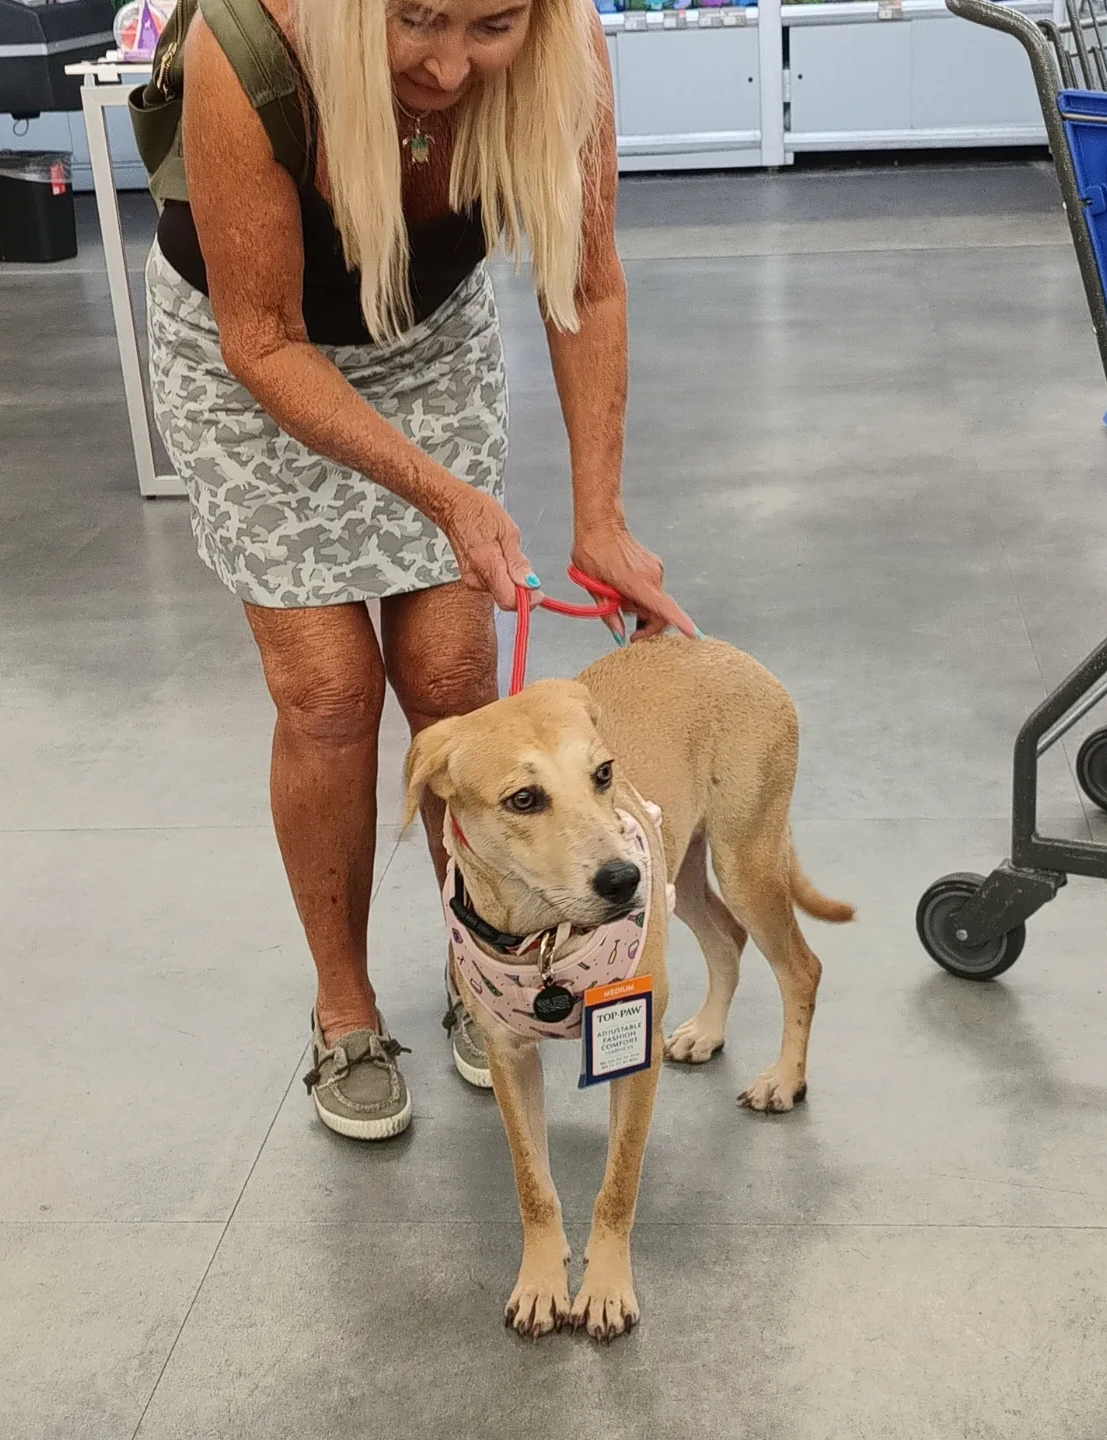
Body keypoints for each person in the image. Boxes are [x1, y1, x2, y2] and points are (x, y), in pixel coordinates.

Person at [145, 0, 695, 1142]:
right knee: (327, 696)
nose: (449, 68)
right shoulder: (250, 48)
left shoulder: (567, 53)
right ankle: (344, 1006)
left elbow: (588, 282)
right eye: (419, 20)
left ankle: (480, 957)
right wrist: (444, 496)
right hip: (256, 358)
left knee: (452, 682)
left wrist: (600, 517)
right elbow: (262, 340)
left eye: (492, 26)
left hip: (426, 347)